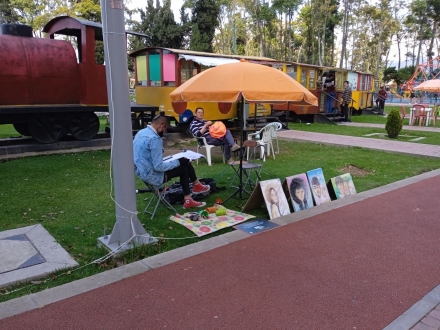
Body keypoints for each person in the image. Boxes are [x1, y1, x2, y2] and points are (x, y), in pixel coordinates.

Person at [133, 115, 210, 209]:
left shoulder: (141, 133)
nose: (164, 132)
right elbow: (158, 167)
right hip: (153, 176)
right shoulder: (154, 139)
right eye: (165, 130)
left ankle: (196, 187)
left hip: (142, 172)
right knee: (184, 166)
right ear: (162, 126)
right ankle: (190, 196)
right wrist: (178, 162)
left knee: (183, 162)